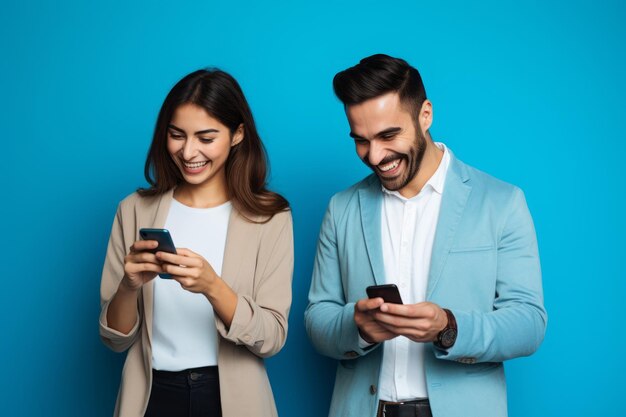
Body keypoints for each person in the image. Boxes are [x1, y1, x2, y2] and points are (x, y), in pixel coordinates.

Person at [304, 54, 546, 417]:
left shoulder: (502, 202)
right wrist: (358, 326)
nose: (375, 155)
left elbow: (529, 323)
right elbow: (317, 319)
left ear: (425, 115)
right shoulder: (342, 208)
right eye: (361, 141)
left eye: (388, 135)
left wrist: (449, 327)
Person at [99, 69, 293, 417]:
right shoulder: (133, 210)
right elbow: (115, 340)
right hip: (149, 397)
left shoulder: (271, 217)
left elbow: (272, 338)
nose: (189, 152)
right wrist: (128, 287)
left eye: (206, 138)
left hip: (231, 399)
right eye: (177, 135)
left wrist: (212, 287)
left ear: (237, 135)